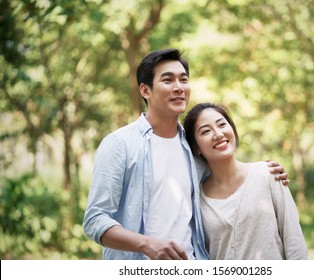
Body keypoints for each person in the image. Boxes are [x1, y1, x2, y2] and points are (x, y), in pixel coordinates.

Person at [83, 48, 289, 260]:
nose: (179, 87)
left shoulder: (193, 147)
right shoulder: (120, 144)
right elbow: (95, 219)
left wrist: (263, 171)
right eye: (168, 80)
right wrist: (146, 245)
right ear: (145, 91)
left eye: (184, 79)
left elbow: (226, 173)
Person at [183, 102, 308, 260]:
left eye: (222, 124)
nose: (218, 134)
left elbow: (295, 243)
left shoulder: (268, 174)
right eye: (206, 131)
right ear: (196, 147)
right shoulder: (197, 201)